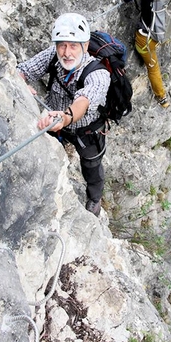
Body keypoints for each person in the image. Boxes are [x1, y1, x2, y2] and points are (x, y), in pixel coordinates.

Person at [16, 13, 111, 217]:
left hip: (86, 128)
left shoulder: (98, 73)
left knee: (91, 165)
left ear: (85, 46)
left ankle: (94, 198)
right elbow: (24, 70)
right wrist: (21, 82)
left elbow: (84, 101)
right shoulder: (53, 55)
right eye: (62, 45)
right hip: (54, 120)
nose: (66, 52)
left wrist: (65, 117)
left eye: (73, 45)